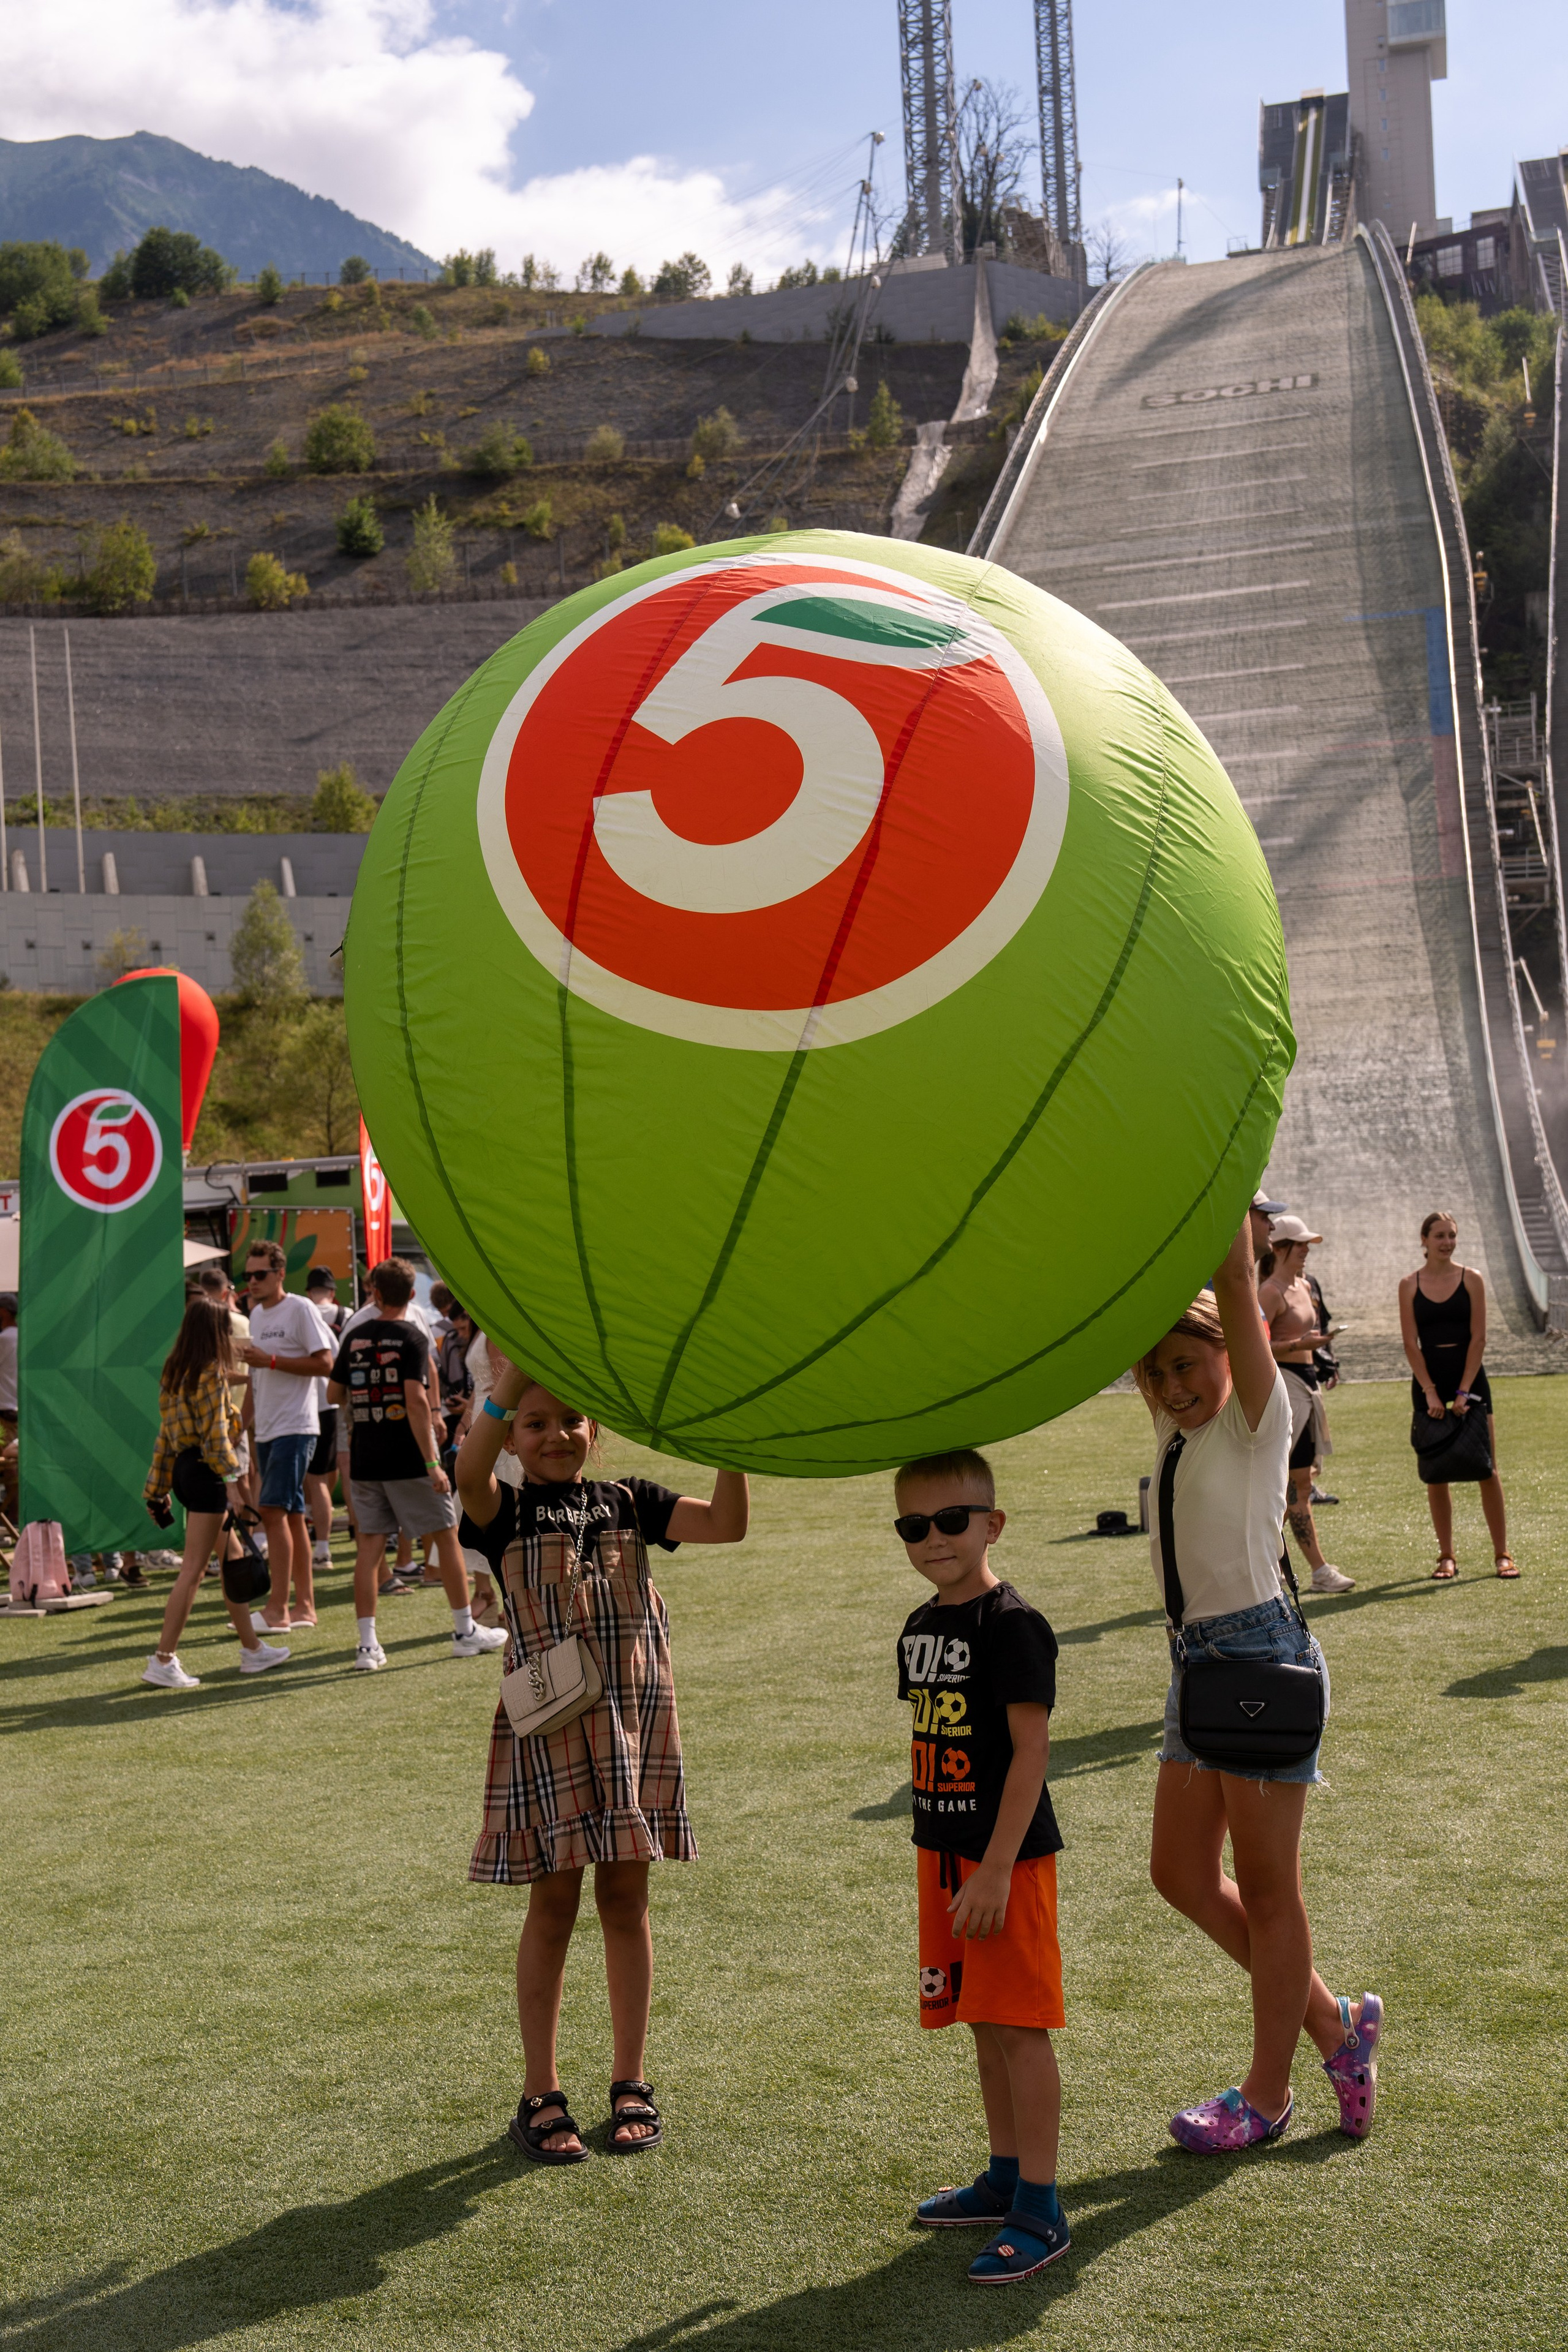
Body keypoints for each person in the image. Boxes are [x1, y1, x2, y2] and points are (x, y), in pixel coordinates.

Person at [455, 1359, 748, 2163]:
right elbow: (466, 1470)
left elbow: (727, 1522)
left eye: (573, 1420)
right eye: (535, 1424)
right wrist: (507, 1384)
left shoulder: (632, 1501)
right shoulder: (502, 1510)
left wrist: (730, 1440)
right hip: (548, 1734)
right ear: (514, 1434)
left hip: (633, 1730)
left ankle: (631, 2082)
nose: (556, 1436)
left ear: (598, 1429)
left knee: (627, 1902)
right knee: (551, 1910)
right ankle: (540, 2094)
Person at [1136, 1218, 1382, 2151]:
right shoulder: (1174, 1426)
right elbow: (1143, 1347)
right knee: (1180, 1874)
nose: (1171, 1382)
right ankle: (1334, 2027)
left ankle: (1268, 2095)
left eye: (1186, 1362)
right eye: (1154, 1371)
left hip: (1255, 1660)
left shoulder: (1256, 1418)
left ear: (1226, 1354)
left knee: (1272, 1894)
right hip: (1195, 1663)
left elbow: (1241, 1288)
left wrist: (1222, 1182)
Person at [897, 1449, 1070, 2288]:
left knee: (1017, 2024)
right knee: (979, 2019)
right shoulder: (922, 1626)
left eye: (951, 1521)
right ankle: (1003, 2175)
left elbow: (1032, 1750)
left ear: (992, 1524)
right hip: (945, 1855)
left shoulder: (1012, 1624)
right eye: (914, 1526)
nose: (933, 1539)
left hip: (1006, 1861)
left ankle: (1040, 2205)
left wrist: (996, 1867)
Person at [327, 1256, 507, 1672]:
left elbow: (333, 1393)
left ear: (375, 1292)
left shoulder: (354, 1336)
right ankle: (465, 1631)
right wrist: (432, 1463)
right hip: (408, 1458)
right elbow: (414, 1400)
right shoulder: (411, 1335)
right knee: (446, 1535)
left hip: (366, 1458)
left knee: (370, 1549)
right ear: (412, 1295)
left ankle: (368, 1645)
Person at [140, 1297, 289, 1688]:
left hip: (187, 1473)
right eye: (225, 1329)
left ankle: (253, 1651)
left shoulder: (175, 1372)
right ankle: (163, 1659)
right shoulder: (209, 1373)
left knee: (233, 1563)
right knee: (192, 1570)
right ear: (214, 1333)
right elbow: (215, 1438)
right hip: (207, 1475)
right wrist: (233, 1485)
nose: (230, 1336)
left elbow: (166, 1439)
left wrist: (156, 1490)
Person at [1398, 1212, 1515, 1580]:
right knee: (1436, 1474)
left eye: (1452, 1236)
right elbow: (1409, 1343)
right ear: (1424, 1240)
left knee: (1488, 1469)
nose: (1447, 1242)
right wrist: (1431, 1392)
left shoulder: (1472, 1279)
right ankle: (1446, 1556)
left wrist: (1464, 1391)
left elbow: (1479, 1338)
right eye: (1439, 1236)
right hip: (1427, 1381)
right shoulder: (1409, 1284)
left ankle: (1502, 1554)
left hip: (1471, 1379)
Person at [240, 1242, 335, 1635]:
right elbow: (255, 1377)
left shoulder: (300, 1308)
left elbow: (325, 1363)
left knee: (273, 1512)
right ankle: (304, 1607)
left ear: (281, 1274)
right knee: (292, 1515)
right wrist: (240, 1423)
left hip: (296, 1426)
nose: (252, 1282)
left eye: (260, 1274)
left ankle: (278, 1608)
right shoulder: (256, 1315)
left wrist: (272, 1361)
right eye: (247, 1276)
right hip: (267, 1428)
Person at [1259, 1217, 1352, 1594]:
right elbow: (1258, 1347)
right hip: (1286, 1387)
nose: (1307, 1250)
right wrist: (1301, 1345)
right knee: (1278, 1484)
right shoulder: (1270, 1291)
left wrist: (1318, 1349)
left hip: (1307, 1385)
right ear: (1280, 1247)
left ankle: (1315, 1571)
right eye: (1300, 1245)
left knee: (1299, 1482)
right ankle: (1270, 1568)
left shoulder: (1303, 1285)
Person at [304, 1267, 349, 1567]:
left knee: (313, 1478)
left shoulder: (303, 1313)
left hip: (306, 1404)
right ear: (332, 1292)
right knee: (334, 1470)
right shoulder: (347, 1315)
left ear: (310, 1292)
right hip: (336, 1403)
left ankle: (316, 1530)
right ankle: (325, 1543)